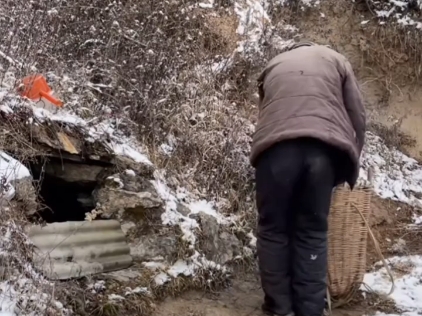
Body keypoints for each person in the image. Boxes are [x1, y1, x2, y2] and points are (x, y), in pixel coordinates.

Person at [250, 41, 366, 316]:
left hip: (275, 152)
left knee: (273, 229)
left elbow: (266, 112)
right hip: (322, 153)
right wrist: (353, 157)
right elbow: (357, 115)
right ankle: (311, 310)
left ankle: (279, 308)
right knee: (312, 232)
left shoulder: (274, 64)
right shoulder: (337, 59)